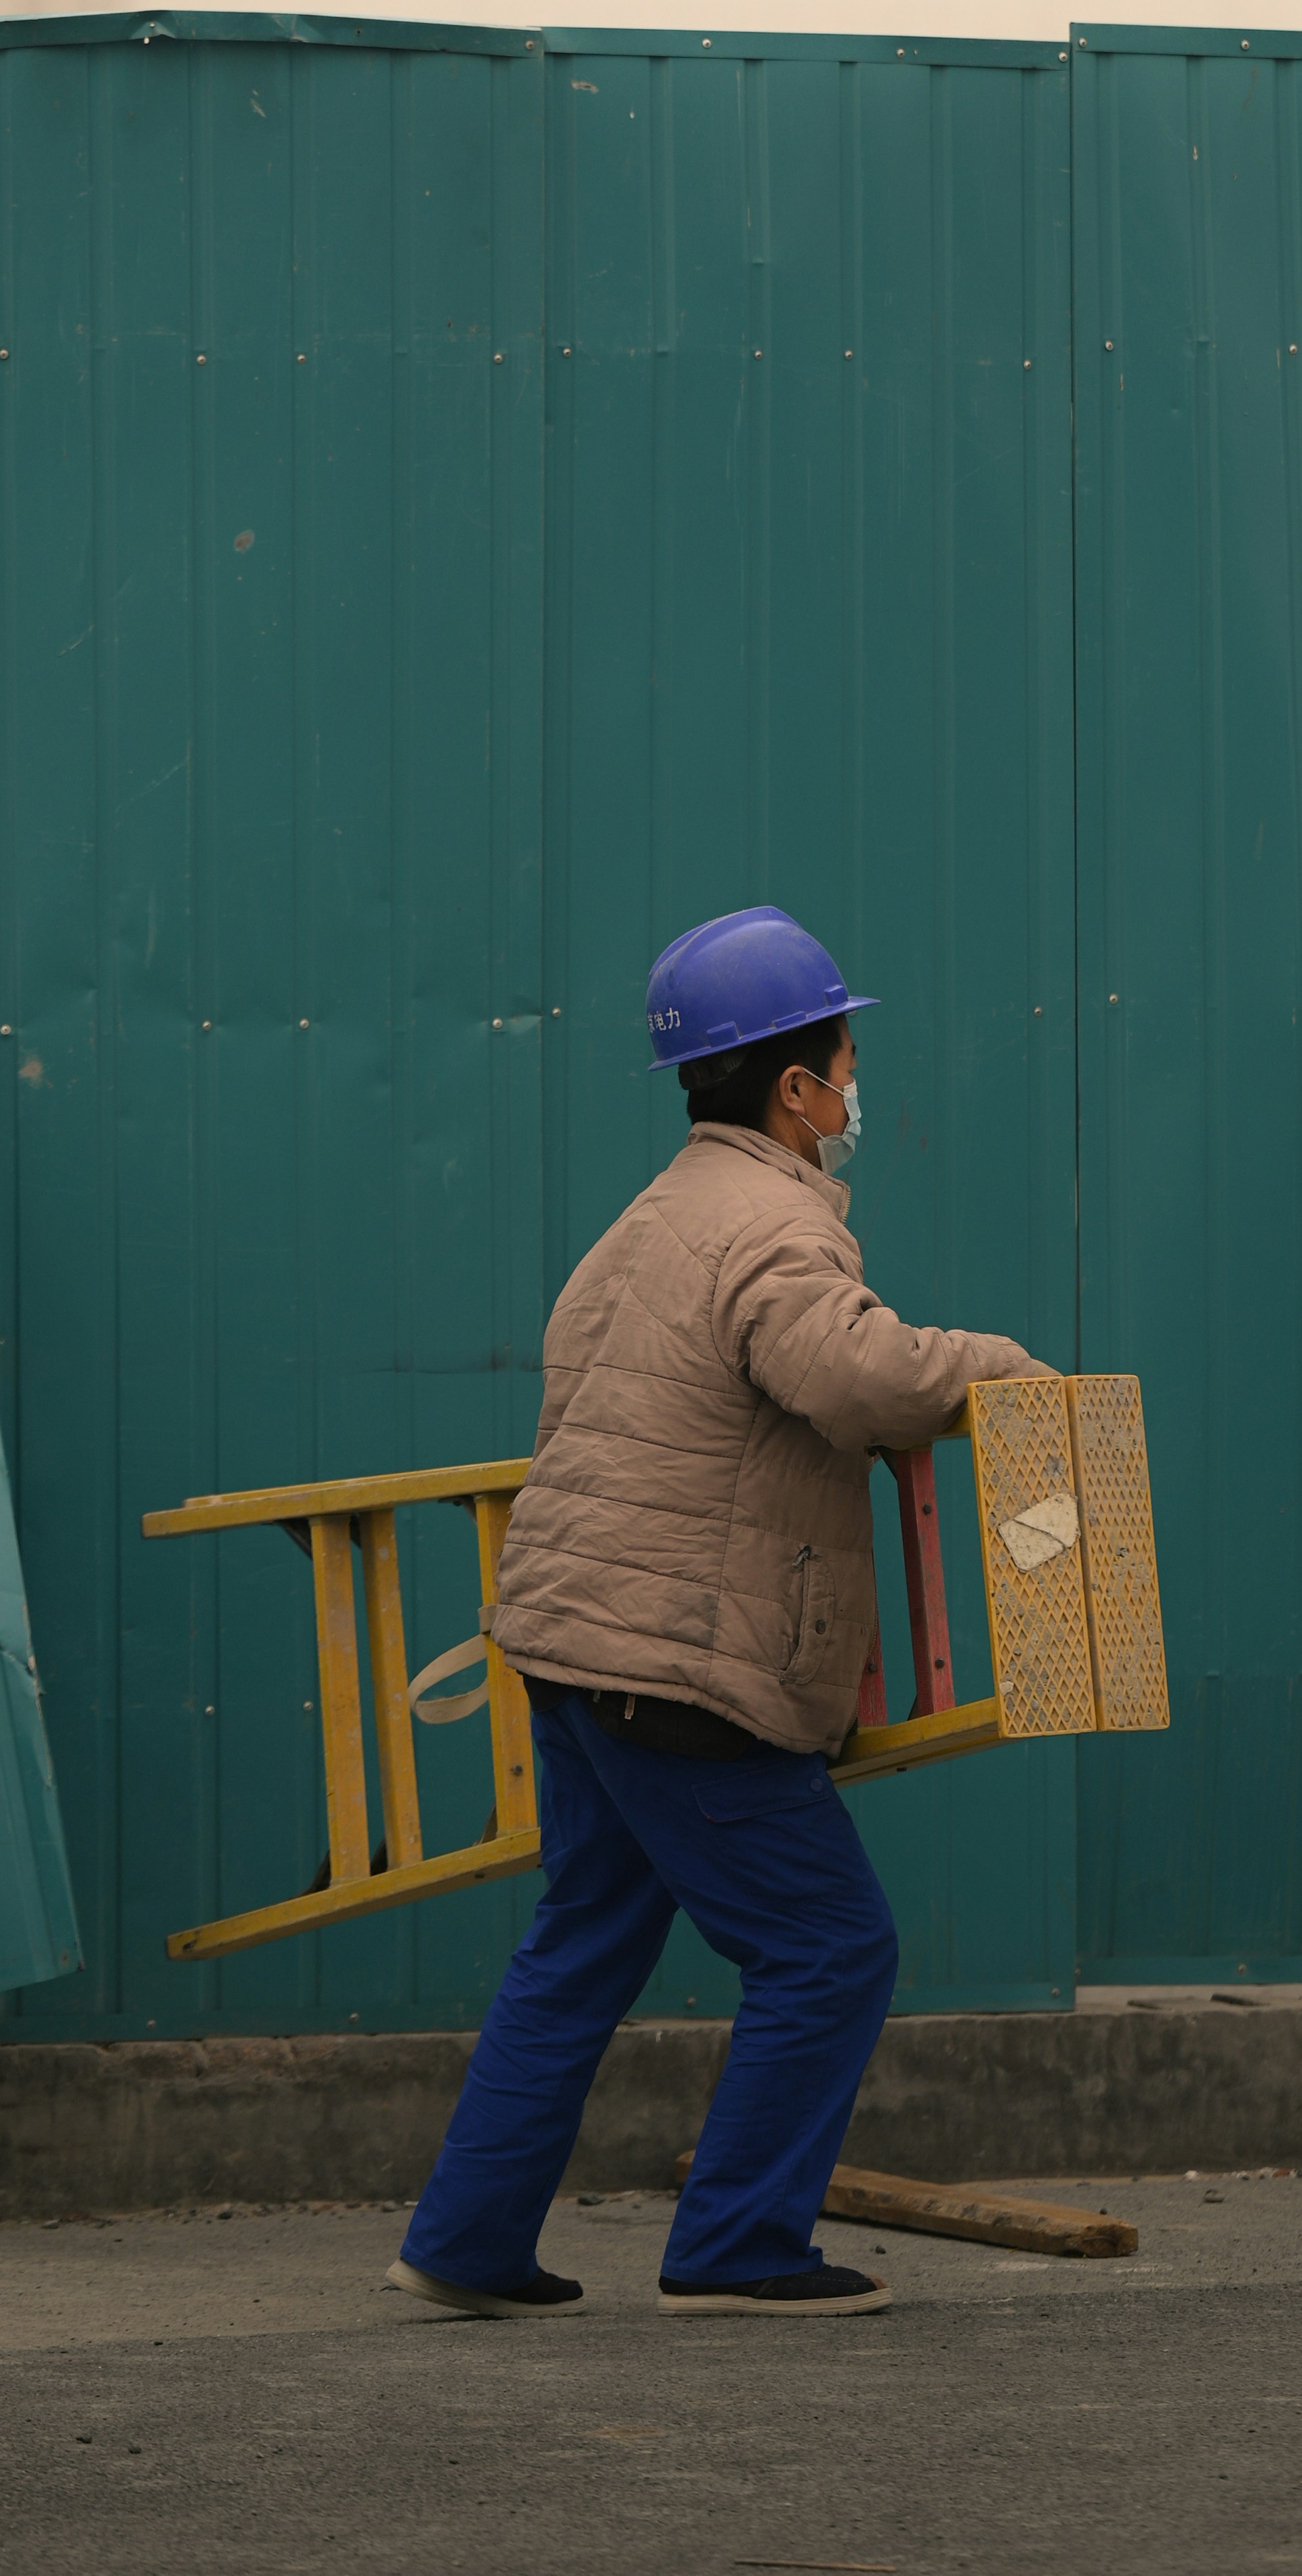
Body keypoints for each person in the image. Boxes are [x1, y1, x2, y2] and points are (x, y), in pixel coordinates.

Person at [386, 905, 1044, 2322]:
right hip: (676, 1664)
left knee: (584, 1940)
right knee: (829, 1944)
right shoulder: (767, 1227)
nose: (856, 1089)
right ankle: (740, 2240)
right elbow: (862, 1381)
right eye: (846, 1062)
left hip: (570, 1644)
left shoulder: (651, 1216)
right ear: (795, 1085)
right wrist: (996, 1363)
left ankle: (466, 2236)